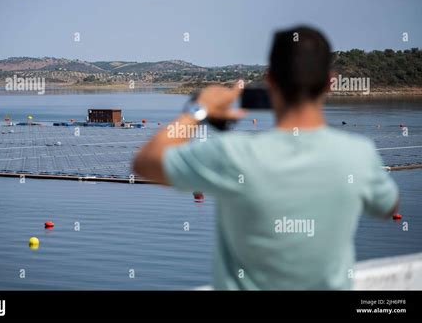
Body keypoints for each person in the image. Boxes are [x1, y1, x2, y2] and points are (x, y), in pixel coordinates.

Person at [133, 26, 399, 290]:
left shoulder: (232, 153)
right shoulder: (359, 154)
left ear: (270, 80)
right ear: (331, 82)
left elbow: (145, 162)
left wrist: (198, 109)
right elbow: (388, 206)